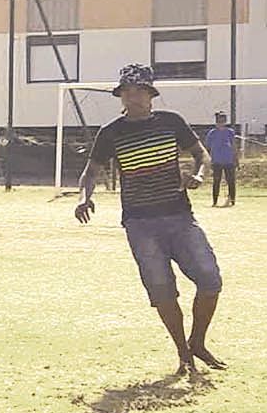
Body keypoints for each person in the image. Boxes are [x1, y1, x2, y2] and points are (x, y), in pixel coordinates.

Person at [76, 64, 223, 374]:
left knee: (210, 280)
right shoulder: (111, 133)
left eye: (140, 91)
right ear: (121, 96)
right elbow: (91, 171)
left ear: (151, 94)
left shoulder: (171, 122)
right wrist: (83, 197)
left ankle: (198, 342)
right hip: (141, 224)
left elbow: (201, 155)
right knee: (161, 290)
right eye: (128, 92)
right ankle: (183, 354)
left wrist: (197, 175)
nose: (134, 97)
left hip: (179, 216)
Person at [205, 112, 237, 207]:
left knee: (231, 181)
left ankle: (232, 200)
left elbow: (234, 146)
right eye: (219, 121)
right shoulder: (212, 133)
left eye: (222, 121)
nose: (221, 123)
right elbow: (208, 148)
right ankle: (215, 201)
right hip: (216, 161)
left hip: (229, 161)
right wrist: (207, 161)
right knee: (216, 181)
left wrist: (236, 159)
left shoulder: (230, 132)